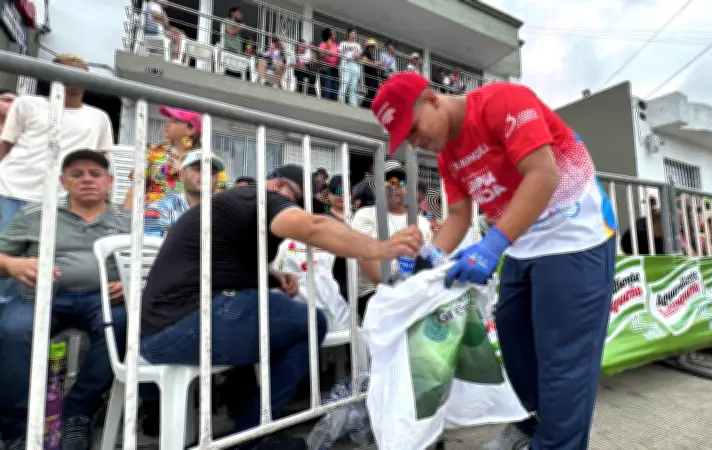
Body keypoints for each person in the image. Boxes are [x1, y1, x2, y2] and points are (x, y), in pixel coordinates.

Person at [370, 72, 618, 450]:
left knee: (562, 362)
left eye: (415, 129)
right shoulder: (447, 154)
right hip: (523, 243)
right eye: (407, 140)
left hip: (575, 237)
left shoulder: (503, 101)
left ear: (433, 99)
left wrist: (491, 246)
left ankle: (556, 442)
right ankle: (532, 424)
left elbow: (543, 175)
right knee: (513, 338)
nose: (416, 143)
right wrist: (430, 260)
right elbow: (457, 215)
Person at [139, 164, 422, 449]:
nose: (295, 207)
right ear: (276, 186)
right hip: (184, 322)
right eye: (294, 200)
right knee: (311, 323)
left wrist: (273, 276)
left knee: (284, 323)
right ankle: (253, 429)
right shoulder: (256, 197)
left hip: (163, 332)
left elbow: (221, 266)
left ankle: (251, 424)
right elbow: (314, 227)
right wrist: (383, 249)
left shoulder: (229, 211)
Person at [0, 149, 130, 450]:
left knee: (123, 326)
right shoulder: (35, 215)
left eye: (95, 174)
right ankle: (17, 429)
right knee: (14, 331)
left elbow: (148, 261)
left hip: (103, 299)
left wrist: (129, 282)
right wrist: (12, 265)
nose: (87, 179)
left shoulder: (127, 219)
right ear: (63, 181)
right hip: (40, 295)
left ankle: (77, 414)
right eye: (77, 174)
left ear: (109, 181)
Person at [0, 53, 115, 229]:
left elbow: (100, 161)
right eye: (68, 71)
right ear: (52, 74)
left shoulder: (99, 117)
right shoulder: (26, 103)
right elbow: (7, 144)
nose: (76, 77)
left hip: (63, 199)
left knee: (48, 252)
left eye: (83, 73)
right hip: (12, 189)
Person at [351, 160, 433, 318]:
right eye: (388, 180)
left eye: (400, 181)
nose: (393, 186)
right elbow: (374, 271)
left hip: (414, 293)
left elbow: (427, 263)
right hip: (375, 294)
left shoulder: (421, 222)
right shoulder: (365, 215)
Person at [122, 106, 228, 208]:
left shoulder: (208, 159)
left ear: (190, 130)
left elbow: (217, 197)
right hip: (151, 218)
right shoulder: (155, 152)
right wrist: (124, 220)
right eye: (169, 119)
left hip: (190, 219)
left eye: (175, 120)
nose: (167, 123)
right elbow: (135, 190)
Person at [143, 151, 225, 237]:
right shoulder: (160, 209)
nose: (205, 175)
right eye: (198, 169)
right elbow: (153, 247)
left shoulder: (226, 214)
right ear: (182, 175)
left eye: (212, 172)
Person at [338, 28, 362, 106]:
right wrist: (345, 53)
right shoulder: (343, 43)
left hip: (355, 64)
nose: (354, 34)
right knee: (345, 81)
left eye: (355, 33)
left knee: (353, 85)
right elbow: (339, 54)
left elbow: (360, 57)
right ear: (348, 33)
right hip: (345, 63)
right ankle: (341, 99)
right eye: (352, 32)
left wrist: (357, 57)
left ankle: (353, 103)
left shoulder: (357, 45)